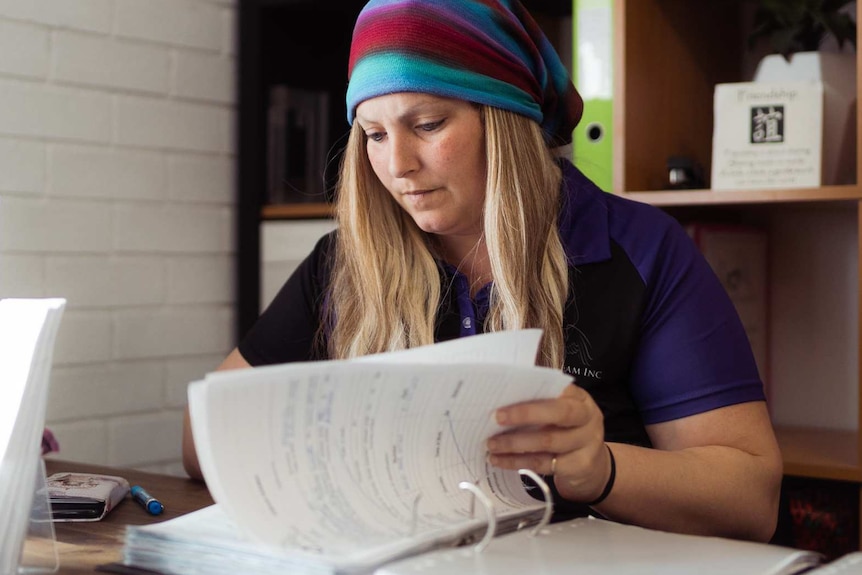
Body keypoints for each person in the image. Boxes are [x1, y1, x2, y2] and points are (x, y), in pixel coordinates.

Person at [183, 0, 782, 543]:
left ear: (506, 121)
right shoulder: (345, 260)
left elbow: (751, 498)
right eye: (373, 134)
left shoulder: (643, 250)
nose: (397, 166)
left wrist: (602, 468)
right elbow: (200, 439)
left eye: (428, 125)